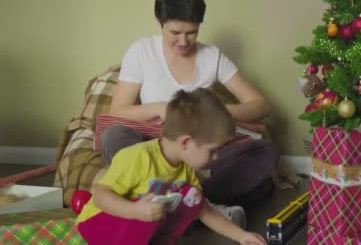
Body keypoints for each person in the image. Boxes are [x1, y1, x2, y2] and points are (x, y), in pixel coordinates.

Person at [101, 0, 278, 219]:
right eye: (175, 33)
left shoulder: (211, 56)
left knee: (265, 151)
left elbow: (261, 106)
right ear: (159, 22)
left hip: (201, 152)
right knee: (114, 136)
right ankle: (198, 206)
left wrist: (216, 111)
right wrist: (161, 108)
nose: (183, 42)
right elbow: (117, 111)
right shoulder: (141, 51)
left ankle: (186, 204)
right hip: (157, 150)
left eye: (191, 32)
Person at [76, 88, 267, 245]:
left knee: (192, 196)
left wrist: (242, 236)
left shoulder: (185, 170)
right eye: (212, 150)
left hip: (138, 229)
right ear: (185, 142)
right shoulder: (138, 157)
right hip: (99, 226)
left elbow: (205, 211)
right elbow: (101, 196)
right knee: (154, 206)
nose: (216, 157)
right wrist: (134, 211)